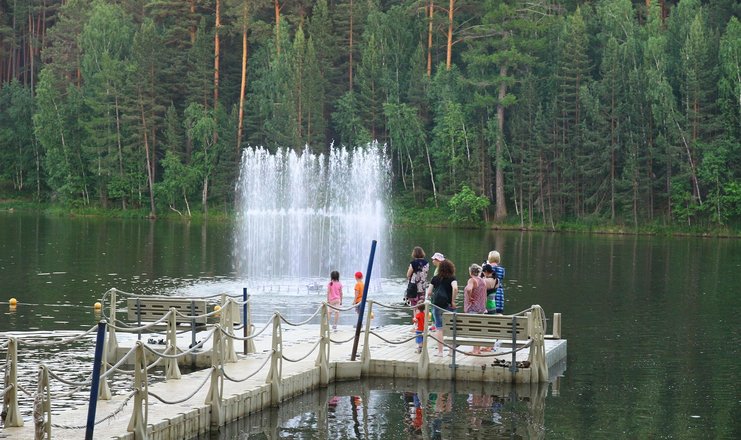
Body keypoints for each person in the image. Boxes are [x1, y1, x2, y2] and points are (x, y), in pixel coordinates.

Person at [426, 259, 458, 356]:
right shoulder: (452, 278)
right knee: (451, 328)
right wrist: (452, 301)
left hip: (436, 306)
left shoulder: (435, 278)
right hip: (448, 306)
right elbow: (455, 288)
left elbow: (429, 292)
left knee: (439, 329)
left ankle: (440, 352)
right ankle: (451, 352)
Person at [463, 264, 487, 354]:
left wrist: (469, 298)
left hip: (473, 308)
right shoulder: (483, 281)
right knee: (479, 329)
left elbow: (469, 289)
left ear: (470, 272)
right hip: (481, 308)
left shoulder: (472, 280)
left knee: (474, 330)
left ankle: (475, 350)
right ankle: (477, 349)